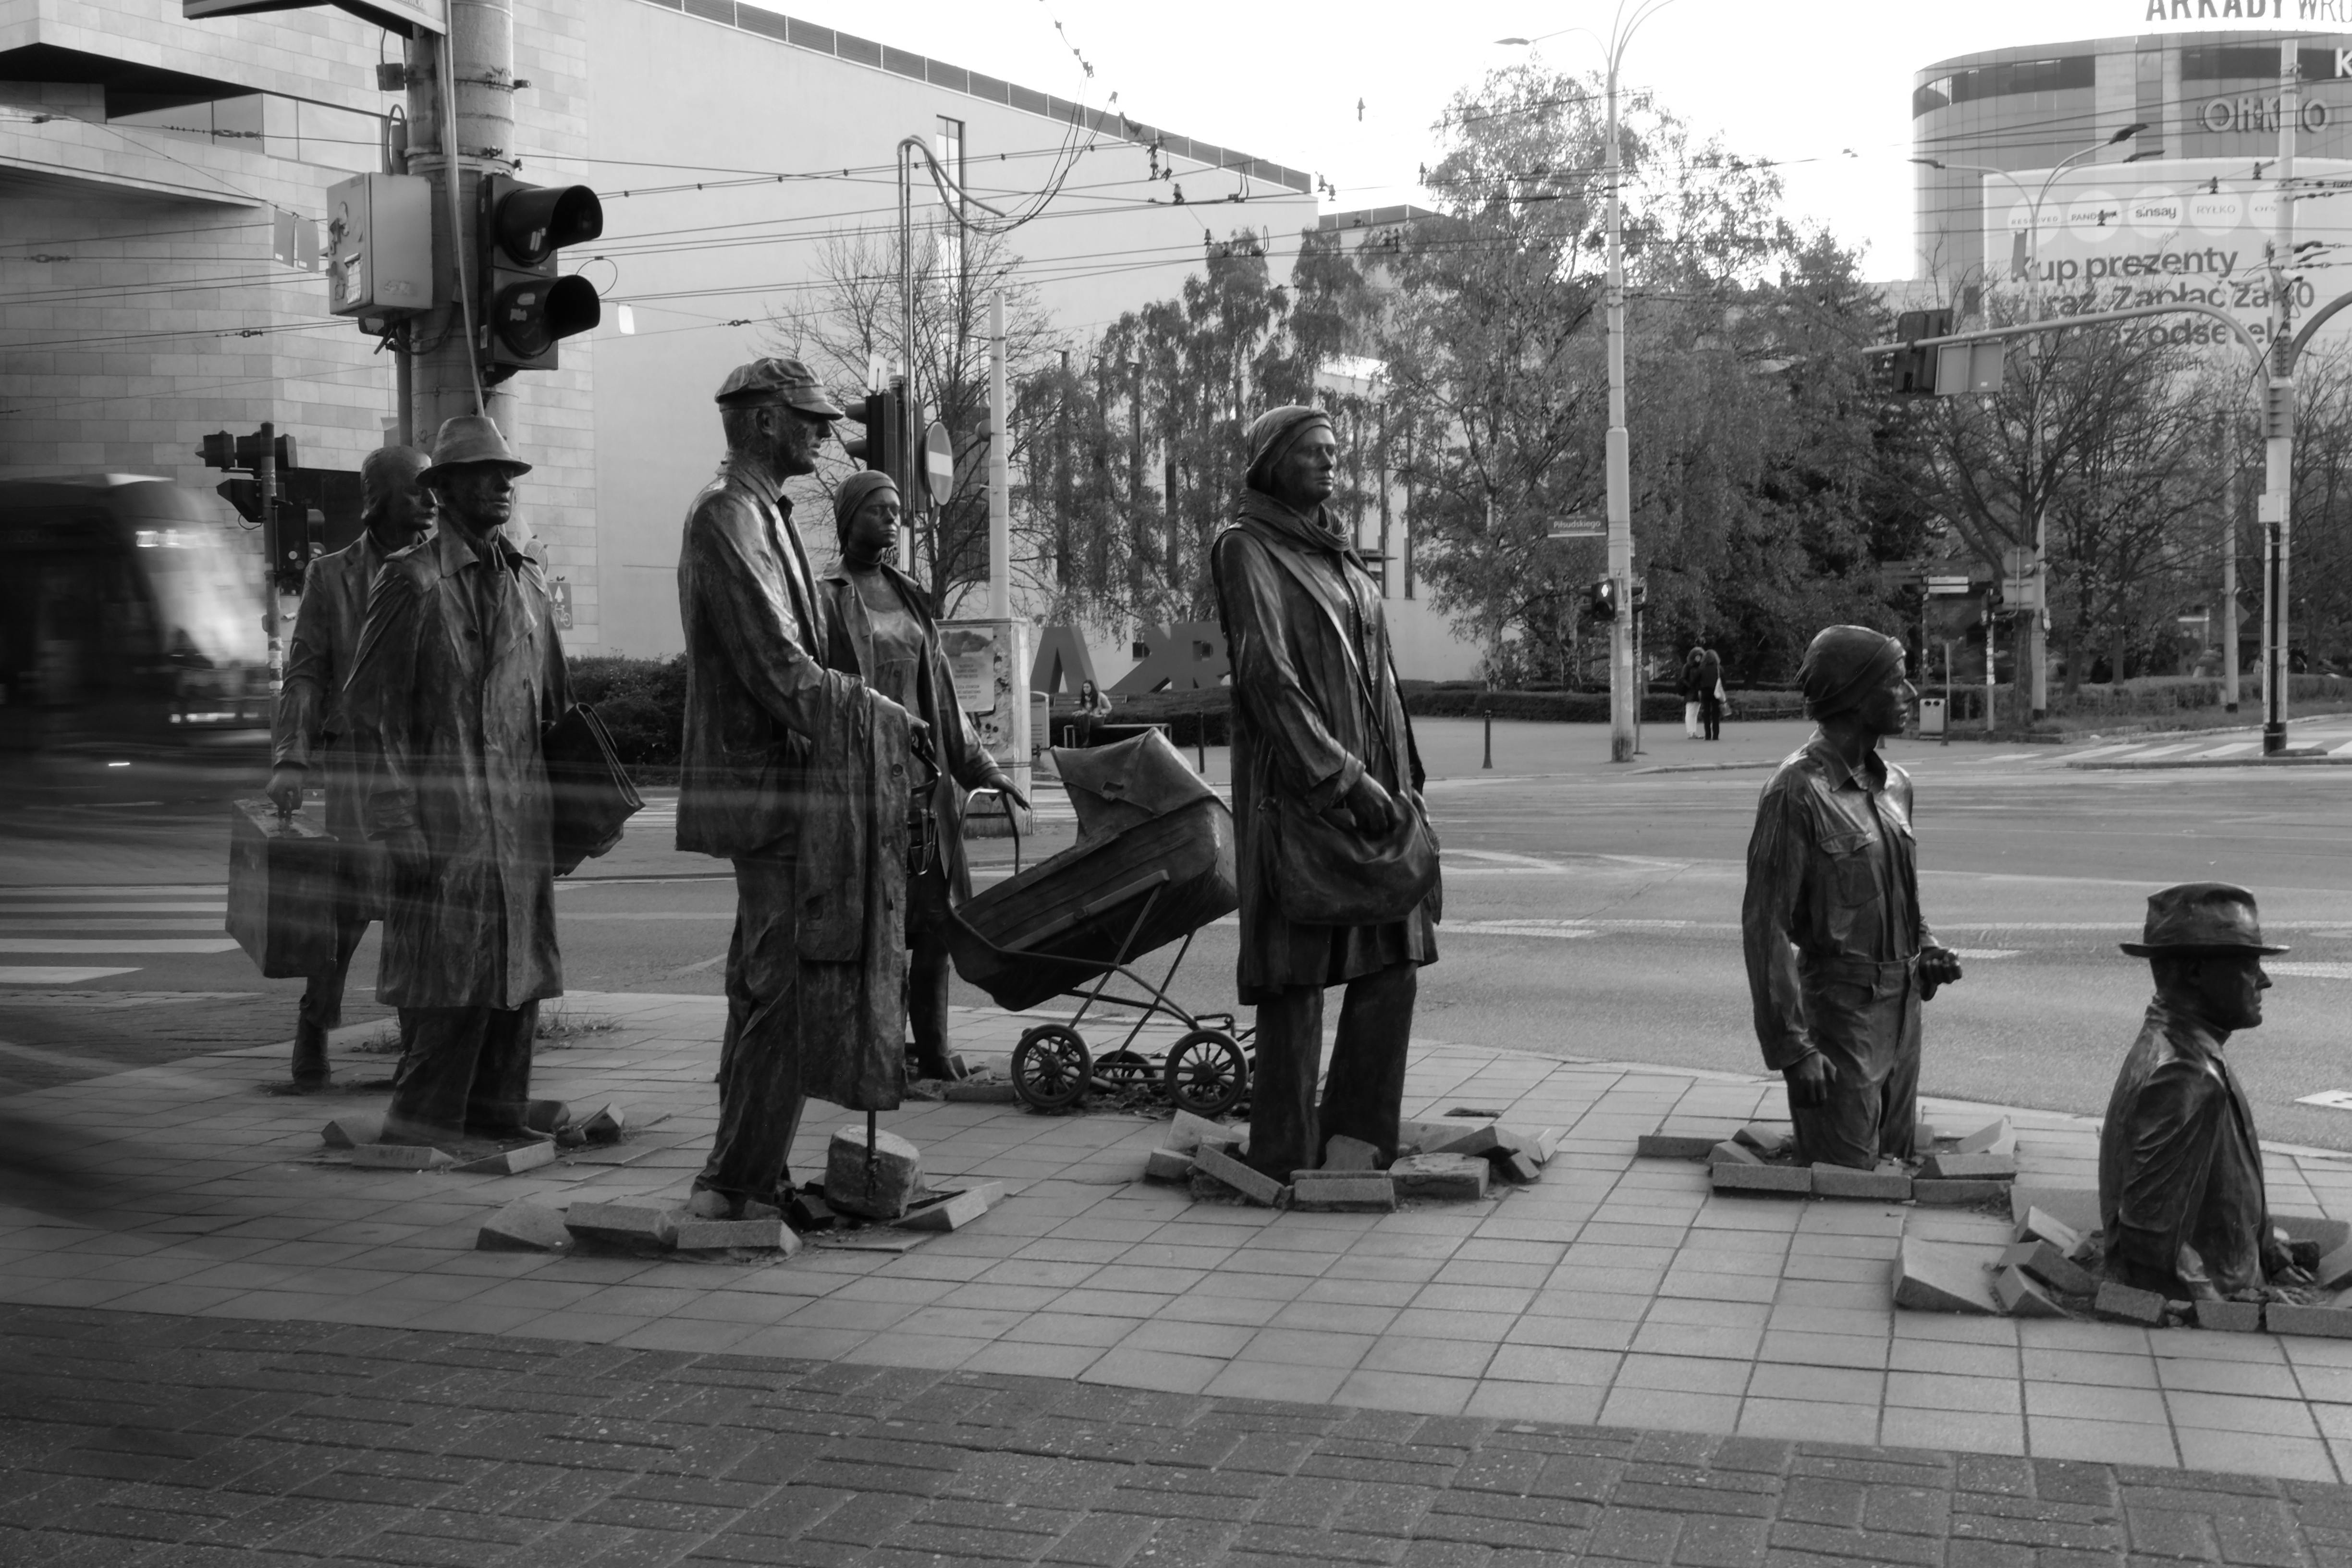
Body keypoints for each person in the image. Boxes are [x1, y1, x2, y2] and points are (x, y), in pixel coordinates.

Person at [675, 357, 919, 1224]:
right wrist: (875, 711)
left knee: (765, 983)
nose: (826, 430)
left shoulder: (765, 515)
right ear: (765, 420)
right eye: (810, 417)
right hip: (764, 790)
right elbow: (778, 666)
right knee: (780, 992)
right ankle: (735, 1182)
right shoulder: (726, 516)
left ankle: (745, 1172)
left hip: (789, 786)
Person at [1211, 405, 1439, 1180]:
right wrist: (1342, 777)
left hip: (1380, 797)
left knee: (1393, 963)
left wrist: (1408, 778)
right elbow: (1266, 678)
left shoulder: (1340, 557)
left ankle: (1358, 1141)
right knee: (1297, 976)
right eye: (1313, 452)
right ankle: (1282, 1149)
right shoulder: (1248, 547)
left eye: (1336, 453)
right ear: (1270, 460)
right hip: (1304, 798)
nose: (1331, 464)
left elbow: (1383, 679)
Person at [346, 416, 573, 1148]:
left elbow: (558, 710)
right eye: (484, 472)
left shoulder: (530, 585)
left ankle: (499, 1112)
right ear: (442, 489)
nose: (502, 484)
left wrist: (573, 814)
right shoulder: (409, 582)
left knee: (518, 975)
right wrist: (394, 822)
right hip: (442, 822)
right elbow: (369, 717)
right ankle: (422, 1120)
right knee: (448, 979)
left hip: (519, 818)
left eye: (508, 473)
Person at [821, 471, 1028, 1080]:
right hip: (864, 791)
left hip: (925, 790)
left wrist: (984, 768)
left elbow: (941, 696)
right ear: (849, 517)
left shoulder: (908, 596)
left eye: (895, 512)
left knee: (937, 926)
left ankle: (934, 1053)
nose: (891, 521)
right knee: (877, 935)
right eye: (878, 511)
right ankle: (879, 1057)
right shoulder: (824, 596)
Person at [1741, 625, 1964, 1169]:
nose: (1912, 694)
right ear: (1854, 696)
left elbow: (1899, 891)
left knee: (1892, 1167)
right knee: (1846, 1181)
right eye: (1897, 681)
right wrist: (1793, 1049)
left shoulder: (1897, 786)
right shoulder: (1796, 791)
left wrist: (1926, 944)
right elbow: (1764, 925)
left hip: (1904, 1010)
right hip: (1840, 1019)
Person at [264, 446, 433, 1090]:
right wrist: (291, 758)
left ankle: (419, 1045)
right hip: (360, 764)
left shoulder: (447, 564)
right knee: (350, 910)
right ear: (381, 497)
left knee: (421, 906)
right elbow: (306, 674)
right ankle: (314, 1026)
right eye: (416, 489)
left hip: (429, 765)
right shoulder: (332, 576)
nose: (430, 500)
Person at [2099, 883, 2311, 1299]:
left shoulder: (2183, 1046)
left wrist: (2267, 1253)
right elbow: (2149, 1234)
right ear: (2196, 972)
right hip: (2225, 1289)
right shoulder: (2184, 1074)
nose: (2264, 981)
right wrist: (2221, 1309)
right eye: (2249, 966)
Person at [1699, 643, 1725, 741]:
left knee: (1706, 713)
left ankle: (1708, 735)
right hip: (1716, 692)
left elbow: (1696, 681)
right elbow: (1724, 682)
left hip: (1705, 692)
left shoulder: (1701, 668)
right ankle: (1716, 735)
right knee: (1715, 713)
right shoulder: (1719, 668)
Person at [1680, 648, 1707, 740]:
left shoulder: (1702, 667)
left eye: (1700, 657)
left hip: (1698, 692)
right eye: (1697, 657)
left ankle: (1694, 732)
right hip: (1690, 692)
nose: (1699, 658)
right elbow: (1683, 679)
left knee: (1695, 713)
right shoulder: (1688, 666)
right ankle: (1690, 733)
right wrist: (1690, 686)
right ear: (1694, 657)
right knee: (1690, 712)